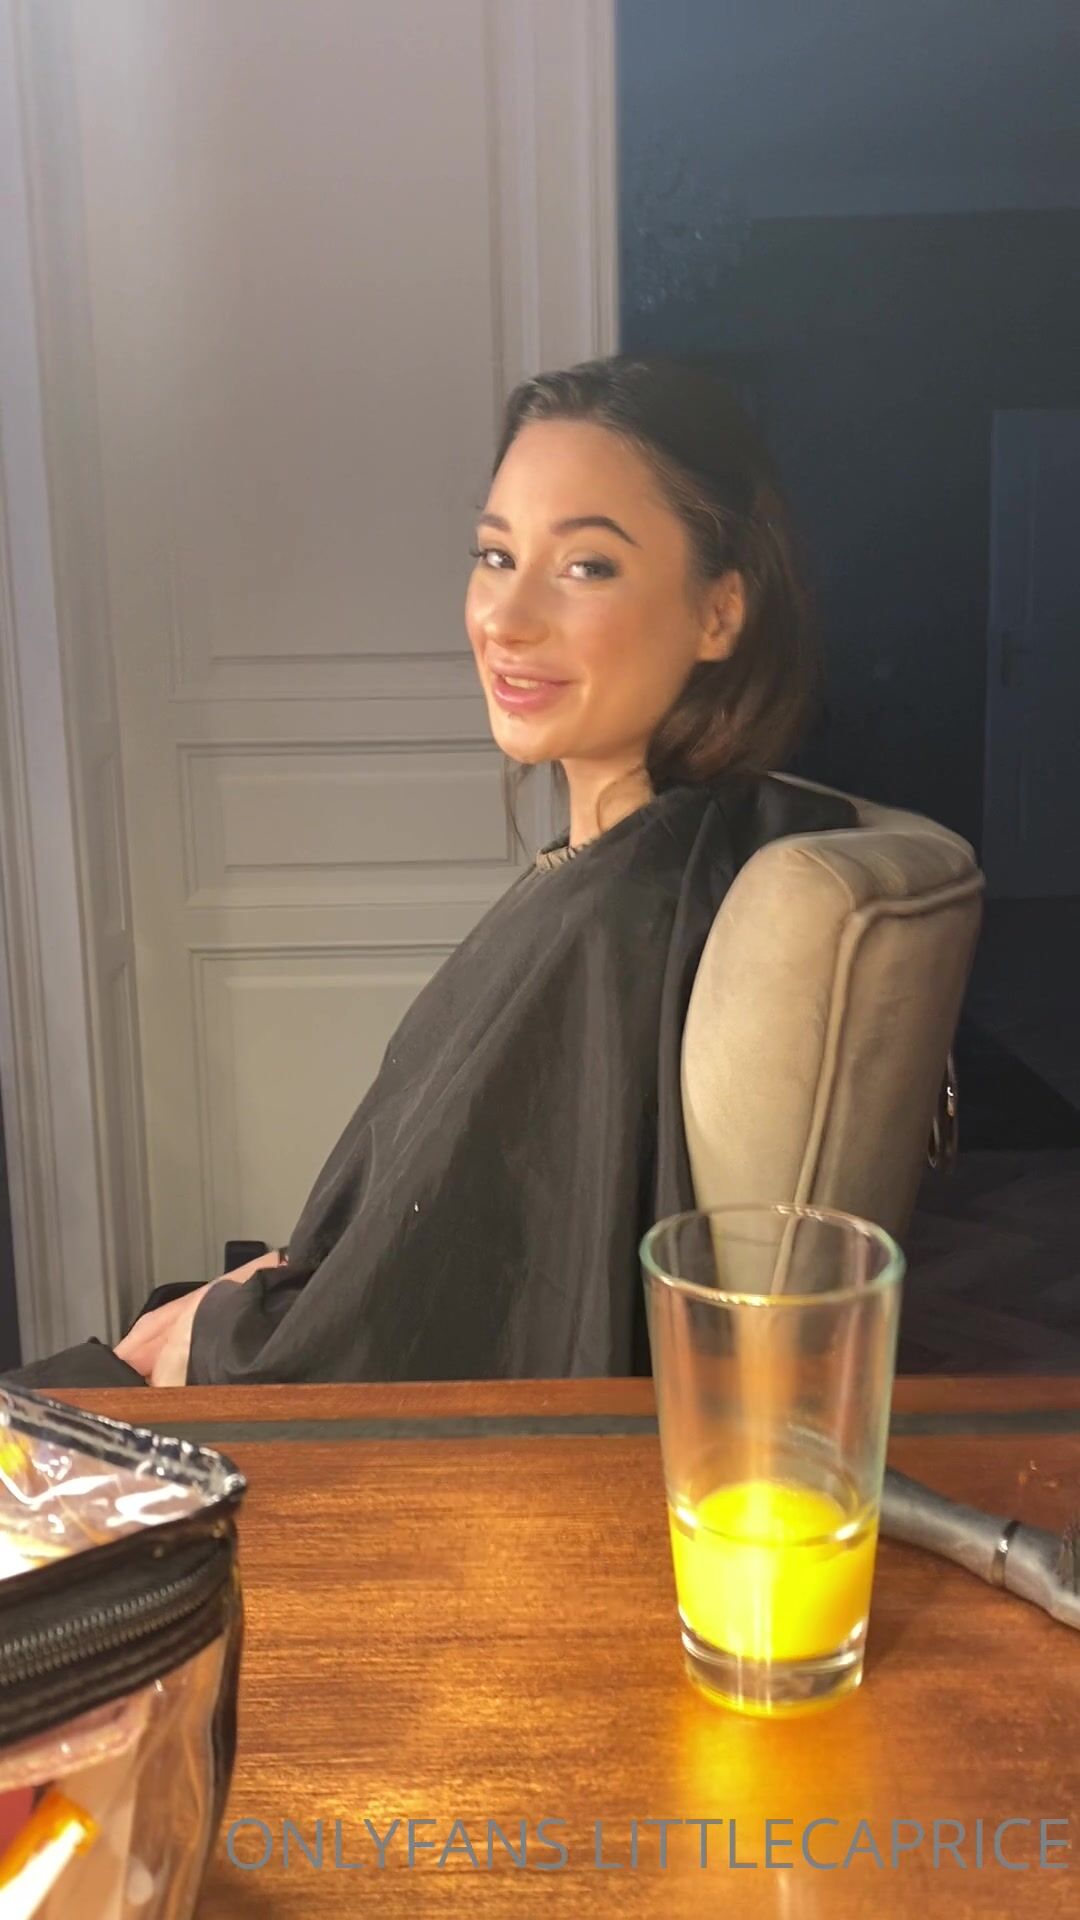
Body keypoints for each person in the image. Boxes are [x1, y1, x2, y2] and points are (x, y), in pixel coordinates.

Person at [8, 355, 855, 1392]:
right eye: (496, 555)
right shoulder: (630, 865)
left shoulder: (618, 922)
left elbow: (488, 1321)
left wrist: (215, 1335)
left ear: (720, 612)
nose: (505, 618)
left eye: (587, 566)